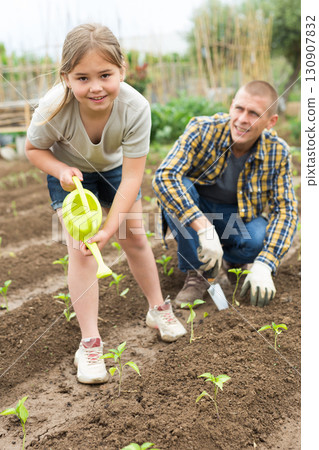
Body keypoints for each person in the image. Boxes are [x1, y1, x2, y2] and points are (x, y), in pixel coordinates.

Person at [25, 23, 186, 385]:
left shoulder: (135, 107)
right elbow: (33, 150)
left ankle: (158, 309)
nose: (95, 86)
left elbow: (132, 178)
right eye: (82, 78)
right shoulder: (53, 107)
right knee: (81, 250)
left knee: (134, 238)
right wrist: (61, 169)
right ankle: (90, 344)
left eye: (105, 75)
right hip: (72, 177)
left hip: (115, 171)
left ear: (122, 71)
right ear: (66, 77)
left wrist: (112, 227)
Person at [152, 80, 298, 309]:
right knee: (181, 184)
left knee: (258, 236)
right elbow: (164, 176)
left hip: (237, 218)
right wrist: (203, 227)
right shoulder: (202, 130)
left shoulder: (277, 152)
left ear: (271, 122)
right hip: (198, 211)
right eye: (239, 108)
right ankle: (197, 272)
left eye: (254, 114)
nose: (242, 119)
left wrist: (265, 263)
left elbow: (286, 210)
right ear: (231, 106)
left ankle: (234, 262)